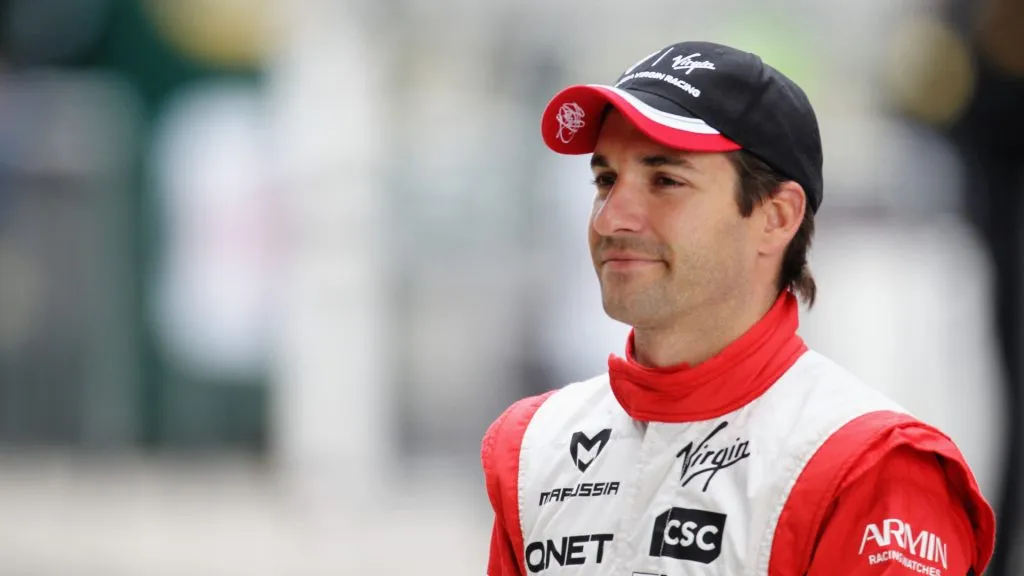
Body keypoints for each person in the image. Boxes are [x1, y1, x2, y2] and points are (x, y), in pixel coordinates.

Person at [481, 41, 995, 576]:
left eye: (666, 181)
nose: (610, 219)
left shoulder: (868, 467)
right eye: (606, 180)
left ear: (777, 217)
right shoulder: (532, 448)